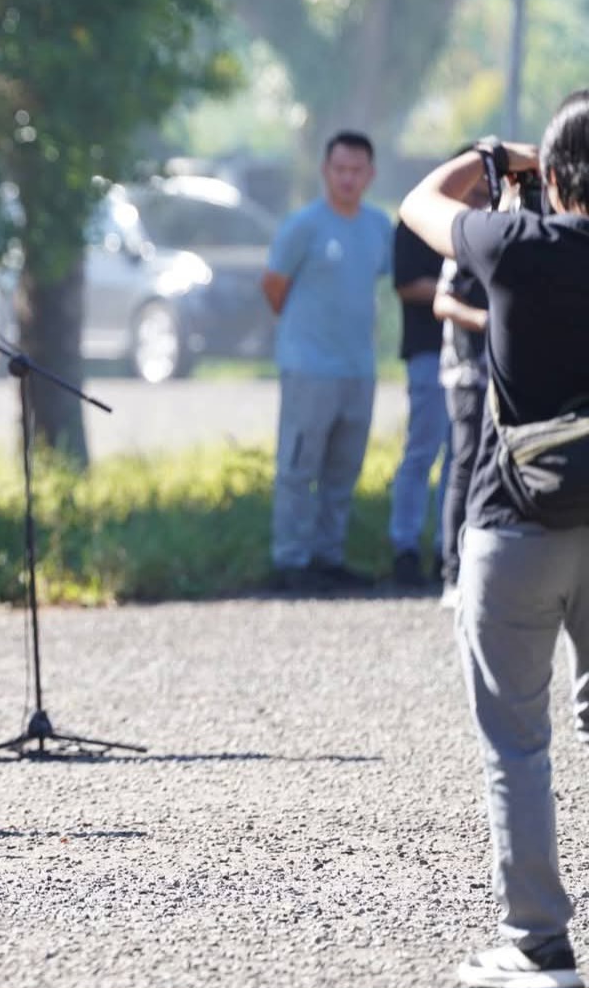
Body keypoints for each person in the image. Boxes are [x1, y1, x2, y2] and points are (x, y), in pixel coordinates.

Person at [401, 94, 589, 988]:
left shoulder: (517, 247)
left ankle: (539, 943)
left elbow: (420, 201)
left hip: (515, 523)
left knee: (519, 741)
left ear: (551, 178)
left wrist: (498, 154)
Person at [260, 131, 395, 593]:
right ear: (325, 171)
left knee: (343, 469)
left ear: (370, 175)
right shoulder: (304, 226)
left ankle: (328, 556)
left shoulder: (379, 227)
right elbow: (273, 285)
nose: (348, 179)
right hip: (309, 367)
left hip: (358, 368)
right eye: (340, 170)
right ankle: (291, 559)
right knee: (299, 467)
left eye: (357, 171)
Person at [389, 217, 448, 587]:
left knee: (463, 457)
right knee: (422, 452)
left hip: (477, 352)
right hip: (430, 351)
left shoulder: (491, 217)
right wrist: (464, 290)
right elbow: (407, 284)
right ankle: (405, 548)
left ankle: (449, 548)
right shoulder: (417, 219)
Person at [435, 250, 490, 613]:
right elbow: (443, 302)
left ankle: (488, 572)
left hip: (505, 375)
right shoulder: (465, 240)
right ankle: (453, 573)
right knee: (466, 466)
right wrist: (484, 319)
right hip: (468, 374)